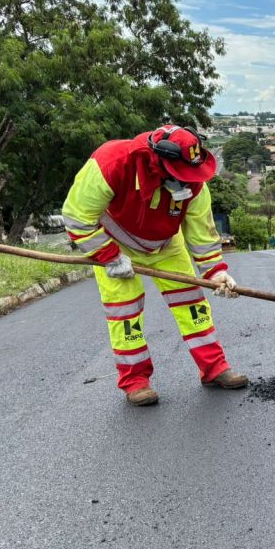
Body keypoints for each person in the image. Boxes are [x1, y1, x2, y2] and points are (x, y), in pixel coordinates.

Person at [61, 124, 248, 407]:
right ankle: (135, 382)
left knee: (193, 306)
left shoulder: (195, 183)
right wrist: (109, 256)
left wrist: (216, 272)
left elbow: (201, 232)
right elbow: (76, 216)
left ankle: (214, 368)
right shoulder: (111, 163)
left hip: (166, 244)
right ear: (158, 161)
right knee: (125, 314)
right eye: (183, 177)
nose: (189, 182)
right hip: (115, 245)